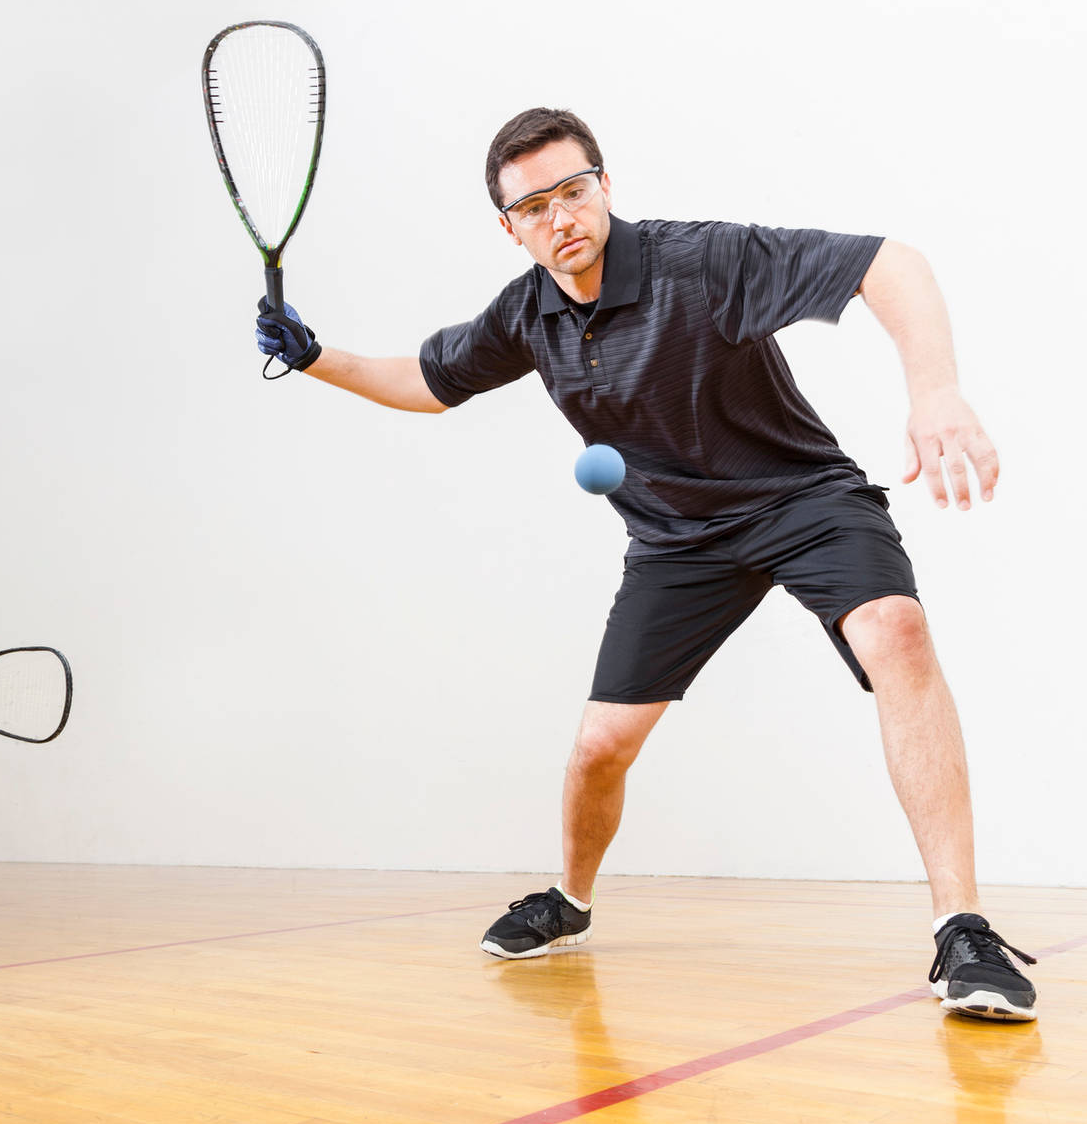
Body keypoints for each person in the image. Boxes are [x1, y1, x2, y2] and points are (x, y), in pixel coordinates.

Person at [254, 109, 1038, 1021]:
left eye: (574, 190)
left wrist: (934, 391)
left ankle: (963, 929)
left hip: (801, 501)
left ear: (605, 186)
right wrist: (313, 358)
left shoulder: (699, 263)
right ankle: (571, 900)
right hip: (675, 543)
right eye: (534, 205)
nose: (561, 216)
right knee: (598, 749)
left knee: (896, 633)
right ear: (508, 225)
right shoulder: (527, 313)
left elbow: (889, 263)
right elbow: (427, 385)